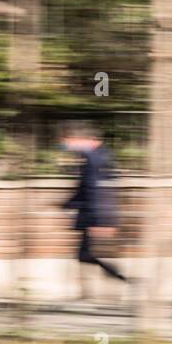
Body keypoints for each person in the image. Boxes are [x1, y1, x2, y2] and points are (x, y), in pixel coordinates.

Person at [61, 121, 129, 298]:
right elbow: (86, 189)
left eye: (71, 140)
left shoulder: (94, 158)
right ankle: (97, 288)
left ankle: (120, 280)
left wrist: (100, 221)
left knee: (87, 254)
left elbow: (94, 189)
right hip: (96, 215)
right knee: (84, 254)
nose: (68, 144)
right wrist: (66, 204)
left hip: (96, 216)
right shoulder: (101, 155)